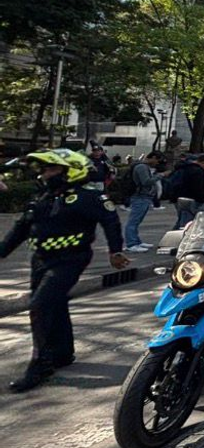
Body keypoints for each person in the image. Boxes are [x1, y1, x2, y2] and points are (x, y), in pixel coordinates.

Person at [0, 149, 131, 392]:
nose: (45, 174)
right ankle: (63, 353)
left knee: (40, 305)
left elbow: (110, 221)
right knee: (55, 303)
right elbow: (20, 229)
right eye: (45, 170)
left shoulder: (87, 198)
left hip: (71, 259)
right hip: (40, 260)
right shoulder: (43, 198)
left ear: (70, 170)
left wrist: (115, 252)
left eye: (51, 169)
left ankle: (41, 363)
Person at [124, 151, 163, 252]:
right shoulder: (142, 167)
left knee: (137, 220)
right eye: (157, 161)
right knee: (134, 221)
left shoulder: (141, 166)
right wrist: (160, 175)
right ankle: (131, 243)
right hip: (140, 196)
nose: (157, 163)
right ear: (153, 158)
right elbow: (146, 182)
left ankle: (136, 241)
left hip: (143, 196)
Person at [169, 154, 204, 230]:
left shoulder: (182, 168)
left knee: (182, 218)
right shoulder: (197, 171)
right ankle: (178, 237)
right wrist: (202, 198)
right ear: (203, 162)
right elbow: (197, 187)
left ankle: (175, 233)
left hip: (178, 197)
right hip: (190, 198)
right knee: (186, 221)